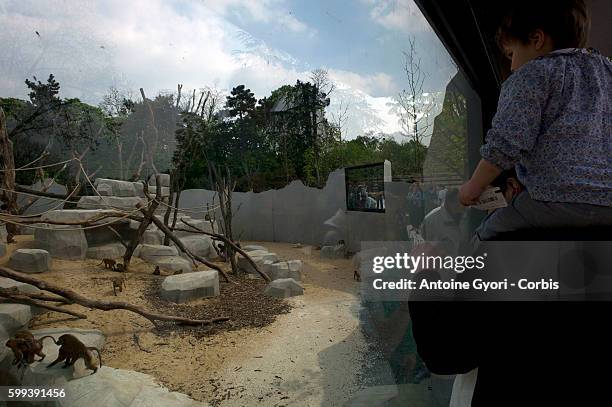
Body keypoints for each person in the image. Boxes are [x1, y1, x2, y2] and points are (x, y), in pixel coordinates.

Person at [458, 0, 612, 241]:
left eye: (511, 54)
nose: (511, 65)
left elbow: (506, 141)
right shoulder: (606, 72)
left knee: (483, 236)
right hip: (608, 202)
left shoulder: (533, 74)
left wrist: (472, 188)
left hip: (553, 199)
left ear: (536, 39)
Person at [420, 188, 467, 256]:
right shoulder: (431, 219)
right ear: (448, 203)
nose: (462, 207)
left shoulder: (465, 215)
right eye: (457, 204)